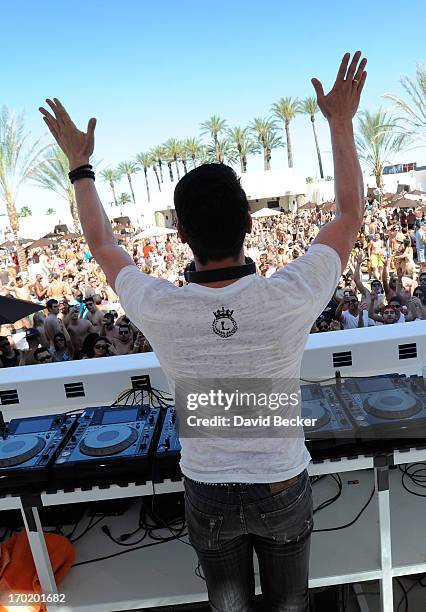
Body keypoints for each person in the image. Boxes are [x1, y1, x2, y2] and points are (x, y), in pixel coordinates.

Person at [40, 50, 367, 612]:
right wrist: (339, 123)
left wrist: (80, 167)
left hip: (207, 494)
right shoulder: (289, 295)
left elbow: (103, 246)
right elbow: (348, 216)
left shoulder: (162, 307)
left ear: (183, 233)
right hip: (282, 486)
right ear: (246, 223)